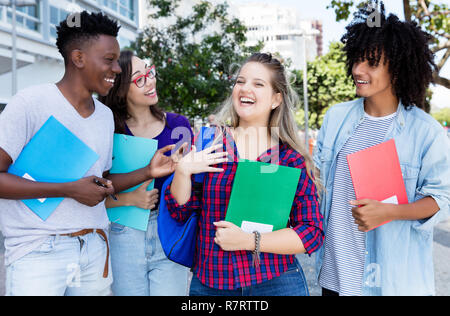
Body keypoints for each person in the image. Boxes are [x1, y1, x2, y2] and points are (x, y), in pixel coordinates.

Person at [0, 11, 177, 296]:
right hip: (39, 251)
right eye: (108, 60)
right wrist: (68, 189)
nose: (117, 69)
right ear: (78, 58)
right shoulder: (30, 103)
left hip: (95, 248)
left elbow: (100, 184)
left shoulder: (105, 116)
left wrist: (148, 172)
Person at [314, 2, 450, 296]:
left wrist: (391, 211)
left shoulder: (425, 132)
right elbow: (316, 181)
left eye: (372, 63)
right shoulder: (336, 117)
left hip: (391, 282)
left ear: (397, 69)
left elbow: (442, 199)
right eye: (356, 60)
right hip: (335, 278)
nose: (358, 70)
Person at [165, 53, 324, 296]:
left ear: (275, 99)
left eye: (258, 84)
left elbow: (311, 232)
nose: (245, 88)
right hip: (212, 283)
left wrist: (250, 241)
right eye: (240, 81)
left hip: (276, 282)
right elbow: (180, 211)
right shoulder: (210, 141)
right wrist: (183, 171)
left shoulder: (291, 159)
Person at [98, 50, 193, 296]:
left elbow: (191, 188)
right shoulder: (109, 130)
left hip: (169, 228)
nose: (150, 81)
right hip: (122, 231)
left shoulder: (178, 126)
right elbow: (89, 191)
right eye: (139, 79)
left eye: (149, 72)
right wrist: (129, 199)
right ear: (120, 89)